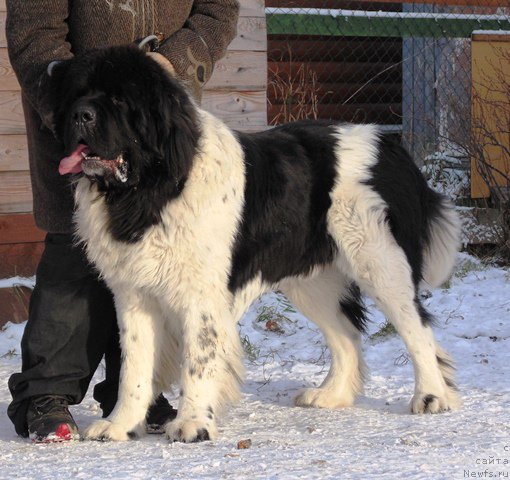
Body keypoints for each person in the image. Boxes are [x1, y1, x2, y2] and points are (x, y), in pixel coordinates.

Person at [5, 0, 240, 442]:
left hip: (152, 122)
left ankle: (137, 393)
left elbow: (219, 10)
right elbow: (33, 31)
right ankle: (46, 394)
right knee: (72, 255)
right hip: (80, 106)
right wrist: (69, 97)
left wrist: (169, 65)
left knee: (151, 261)